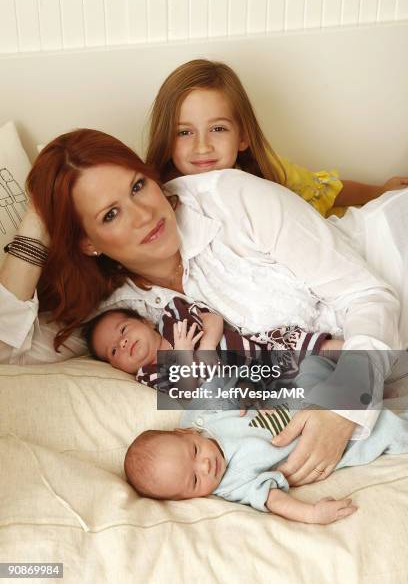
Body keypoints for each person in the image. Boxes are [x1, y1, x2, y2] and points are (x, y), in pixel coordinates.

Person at [0, 128, 406, 488]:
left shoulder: (229, 198)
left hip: (395, 253)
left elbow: (368, 296)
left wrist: (342, 407)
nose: (145, 215)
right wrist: (40, 213)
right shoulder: (112, 313)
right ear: (88, 243)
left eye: (138, 186)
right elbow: (8, 351)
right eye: (110, 214)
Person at [123, 355, 408, 524]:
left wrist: (244, 390)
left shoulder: (199, 417)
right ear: (184, 499)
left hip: (302, 396)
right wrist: (311, 514)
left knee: (314, 363)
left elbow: (223, 377)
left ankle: (373, 376)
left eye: (195, 452)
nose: (205, 466)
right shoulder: (231, 484)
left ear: (185, 433)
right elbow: (272, 500)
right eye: (194, 481)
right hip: (327, 441)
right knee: (387, 429)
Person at [146, 59, 408, 217]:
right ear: (166, 140)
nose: (202, 147)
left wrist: (379, 191)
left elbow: (329, 191)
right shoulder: (161, 197)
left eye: (218, 129)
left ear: (243, 137)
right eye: (184, 132)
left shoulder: (268, 171)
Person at [83, 296, 340, 390]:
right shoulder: (149, 375)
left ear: (145, 322)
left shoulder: (173, 316)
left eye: (124, 330)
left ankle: (368, 353)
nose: (124, 342)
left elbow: (213, 319)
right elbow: (187, 387)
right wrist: (182, 353)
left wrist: (205, 346)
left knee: (307, 346)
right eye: (114, 350)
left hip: (261, 349)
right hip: (253, 382)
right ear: (115, 367)